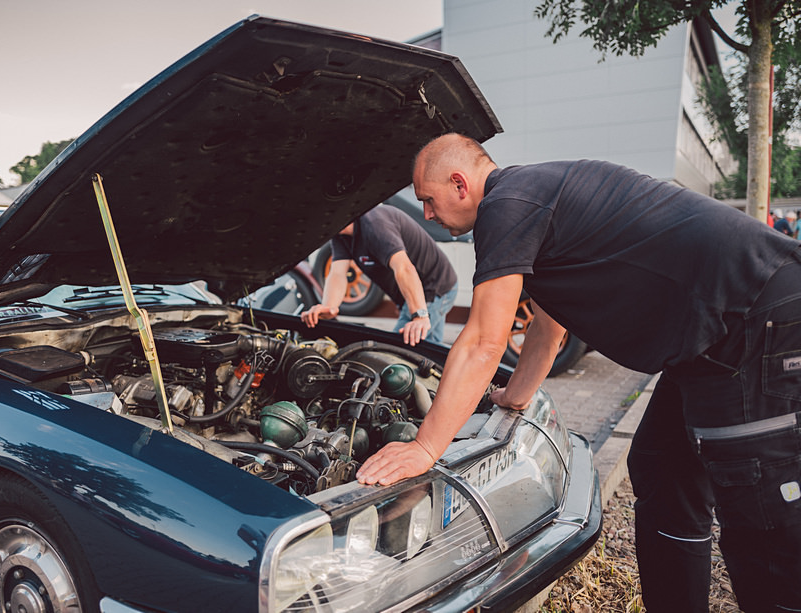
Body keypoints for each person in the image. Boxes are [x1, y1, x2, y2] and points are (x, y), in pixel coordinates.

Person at [356, 132, 801, 612]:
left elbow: (484, 340)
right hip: (708, 341)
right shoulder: (533, 200)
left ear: (460, 185)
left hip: (755, 318)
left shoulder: (505, 205)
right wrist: (515, 396)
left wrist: (425, 448)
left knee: (761, 513)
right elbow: (549, 328)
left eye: (428, 199)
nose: (426, 215)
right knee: (662, 469)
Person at [301, 205, 457, 345]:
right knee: (430, 349)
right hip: (417, 293)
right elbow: (337, 273)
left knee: (397, 350)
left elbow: (404, 268)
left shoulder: (375, 225)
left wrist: (420, 315)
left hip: (435, 287)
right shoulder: (340, 235)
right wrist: (329, 307)